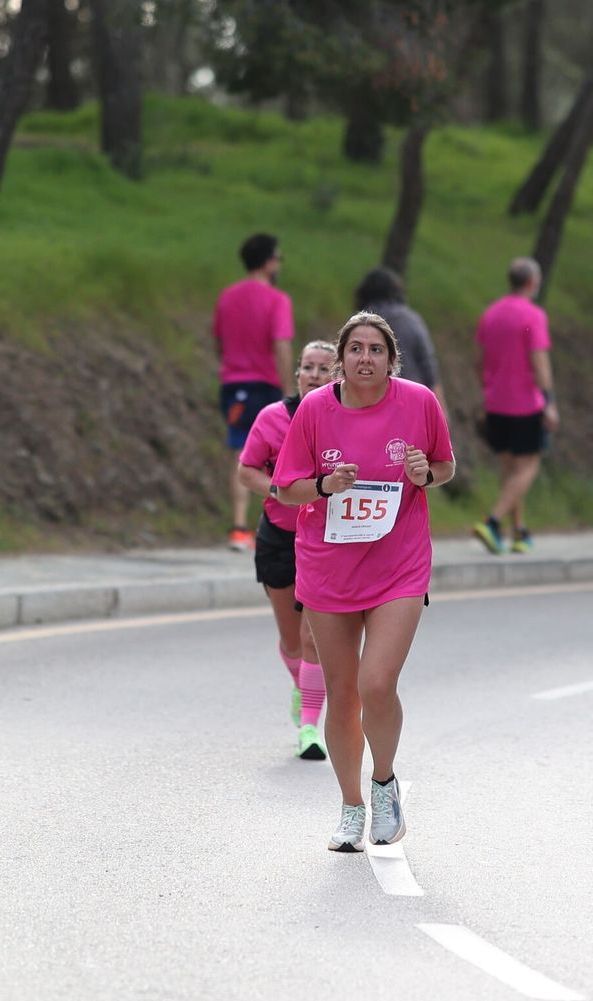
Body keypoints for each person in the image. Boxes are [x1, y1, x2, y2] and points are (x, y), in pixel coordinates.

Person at [272, 312, 455, 853]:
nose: (366, 359)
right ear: (341, 359)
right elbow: (287, 491)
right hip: (329, 566)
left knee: (377, 684)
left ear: (391, 359)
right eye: (356, 349)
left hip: (398, 562)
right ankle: (351, 807)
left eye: (377, 349)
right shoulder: (314, 410)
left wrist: (425, 475)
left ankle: (384, 785)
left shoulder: (419, 402)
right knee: (342, 694)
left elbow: (445, 466)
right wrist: (326, 485)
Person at [237, 341, 336, 760]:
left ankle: (310, 729)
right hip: (278, 537)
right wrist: (279, 490)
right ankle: (303, 687)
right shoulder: (272, 418)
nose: (314, 375)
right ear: (296, 374)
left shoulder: (346, 422)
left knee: (312, 639)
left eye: (323, 369)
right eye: (307, 367)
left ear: (339, 376)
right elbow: (246, 470)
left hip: (327, 541)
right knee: (292, 641)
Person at [214, 233, 294, 552]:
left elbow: (218, 341)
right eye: (278, 258)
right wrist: (290, 388)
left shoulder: (227, 297)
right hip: (264, 384)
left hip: (233, 385)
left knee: (241, 450)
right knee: (275, 456)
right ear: (269, 261)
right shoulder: (277, 300)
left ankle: (239, 526)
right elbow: (282, 345)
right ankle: (270, 525)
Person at [472, 257, 556, 555]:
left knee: (510, 469)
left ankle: (519, 532)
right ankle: (493, 522)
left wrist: (488, 389)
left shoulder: (491, 314)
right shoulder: (532, 316)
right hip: (525, 403)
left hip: (496, 402)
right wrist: (548, 401)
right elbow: (539, 359)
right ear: (532, 283)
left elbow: (479, 360)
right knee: (529, 465)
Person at [353, 266, 445, 407]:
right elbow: (428, 365)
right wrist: (441, 408)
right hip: (412, 399)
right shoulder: (411, 320)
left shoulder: (359, 323)